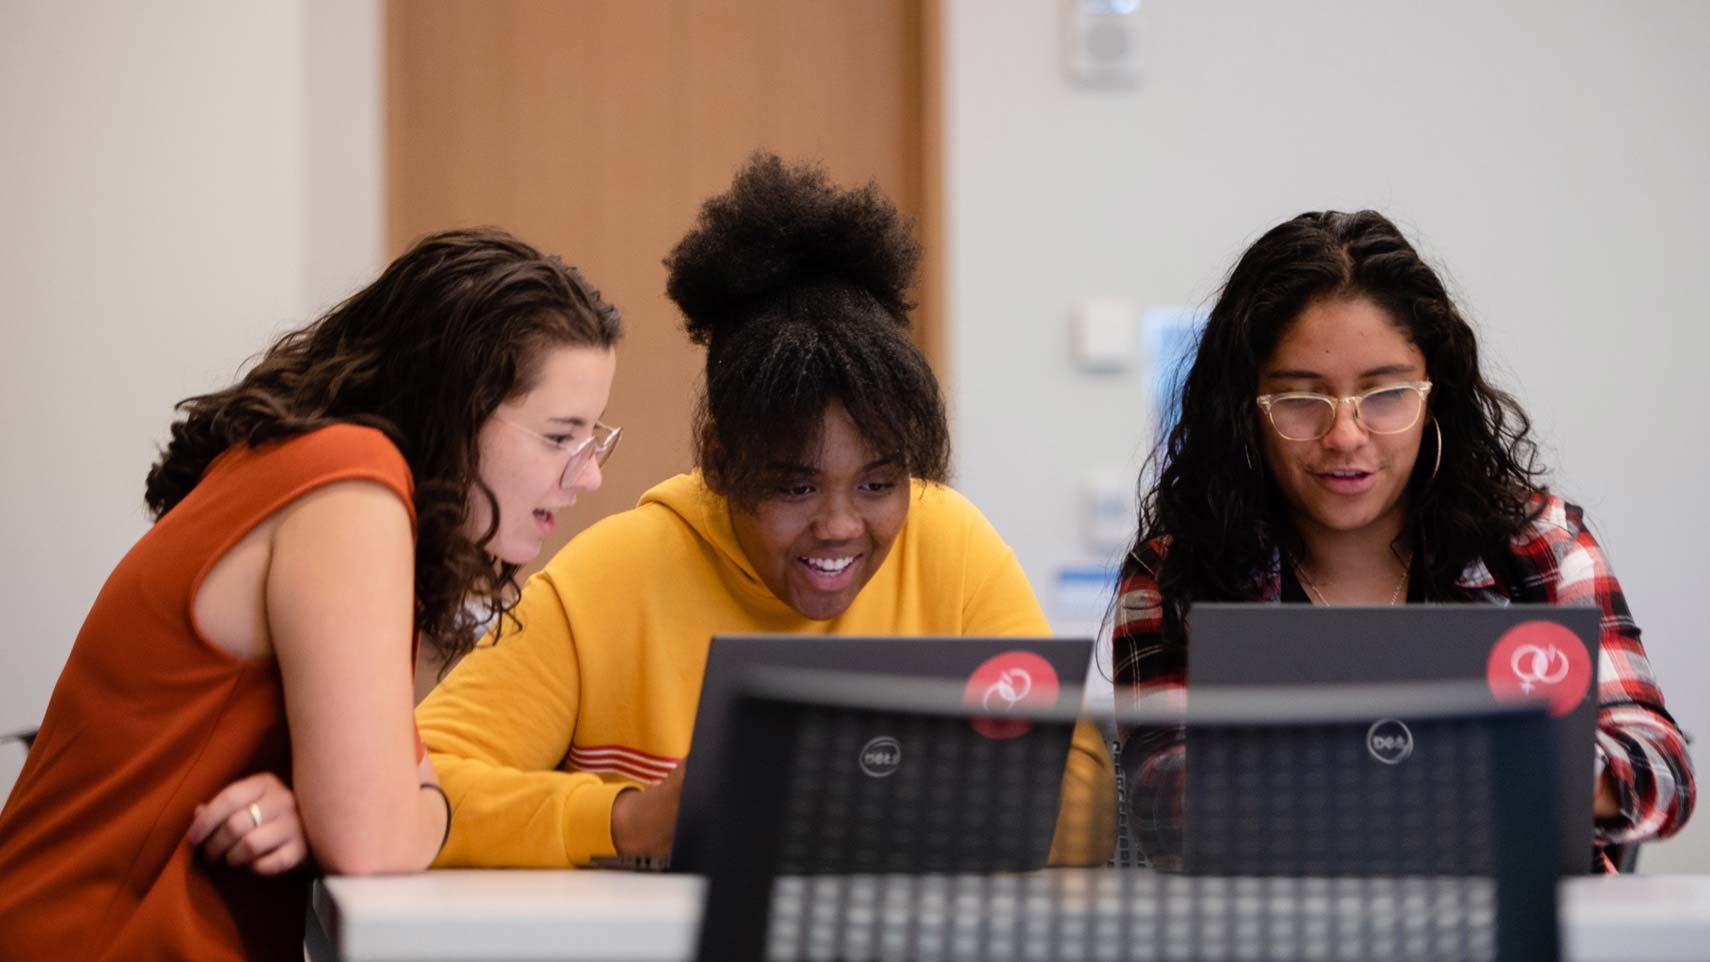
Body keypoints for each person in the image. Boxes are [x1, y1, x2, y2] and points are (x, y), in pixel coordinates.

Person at [417, 154, 1114, 868]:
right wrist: (626, 819)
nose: (841, 526)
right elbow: (422, 788)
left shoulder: (950, 544)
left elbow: (1080, 784)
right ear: (720, 461)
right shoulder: (612, 575)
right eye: (796, 488)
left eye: (879, 484)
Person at [0, 228, 622, 960]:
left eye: (593, 441)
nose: (588, 478)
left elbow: (368, 801)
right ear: (455, 404)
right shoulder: (351, 487)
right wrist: (421, 810)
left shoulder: (305, 464)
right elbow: (375, 834)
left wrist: (332, 806)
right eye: (559, 438)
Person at [1112, 210, 1694, 872]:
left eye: (1385, 394)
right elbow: (1166, 809)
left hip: (1513, 930)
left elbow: (1663, 775)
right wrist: (1461, 767)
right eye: (1301, 399)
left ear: (1433, 397)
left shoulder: (1538, 543)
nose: (1346, 436)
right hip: (1283, 932)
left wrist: (1341, 775)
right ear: (1246, 413)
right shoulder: (1174, 567)